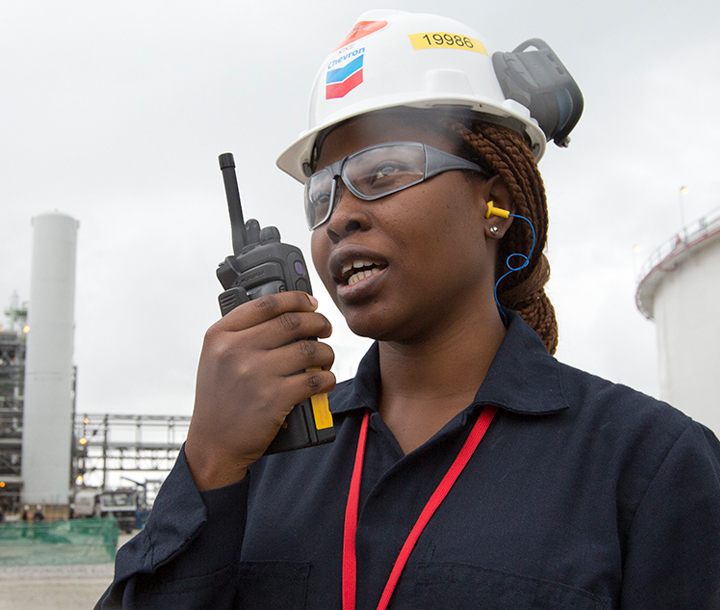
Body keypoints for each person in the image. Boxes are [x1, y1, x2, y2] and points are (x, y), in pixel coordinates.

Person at [97, 10, 720, 609]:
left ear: (495, 204)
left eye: (383, 170)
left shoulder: (652, 467)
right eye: (321, 195)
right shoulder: (259, 464)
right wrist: (209, 462)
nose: (340, 216)